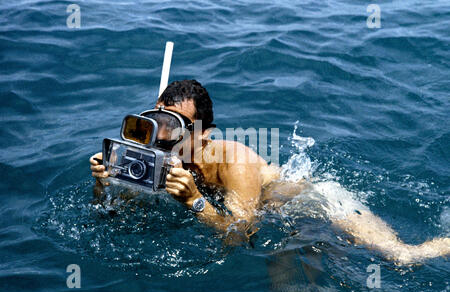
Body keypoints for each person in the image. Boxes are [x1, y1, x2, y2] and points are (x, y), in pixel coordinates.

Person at [90, 79, 449, 265]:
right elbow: (117, 217)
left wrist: (196, 201)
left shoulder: (235, 160)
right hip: (275, 216)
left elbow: (240, 236)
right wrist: (102, 187)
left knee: (404, 258)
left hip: (316, 203)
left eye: (177, 129)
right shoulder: (158, 158)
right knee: (290, 283)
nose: (165, 139)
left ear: (204, 135)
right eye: (159, 125)